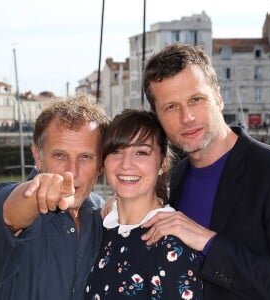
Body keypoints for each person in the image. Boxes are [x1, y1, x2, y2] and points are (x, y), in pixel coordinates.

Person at [140, 42, 270, 299]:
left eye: (196, 99)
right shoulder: (179, 174)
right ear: (157, 116)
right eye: (171, 107)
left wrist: (209, 242)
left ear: (218, 96)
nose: (187, 117)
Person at [0, 93, 110, 299]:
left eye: (85, 157)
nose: (71, 172)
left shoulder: (102, 215)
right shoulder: (1, 200)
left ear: (101, 163)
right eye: (60, 155)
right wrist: (34, 194)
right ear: (37, 156)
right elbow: (10, 214)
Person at [84, 109, 203, 299]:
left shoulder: (169, 244)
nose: (126, 164)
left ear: (163, 164)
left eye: (141, 152)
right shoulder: (104, 228)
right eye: (116, 151)